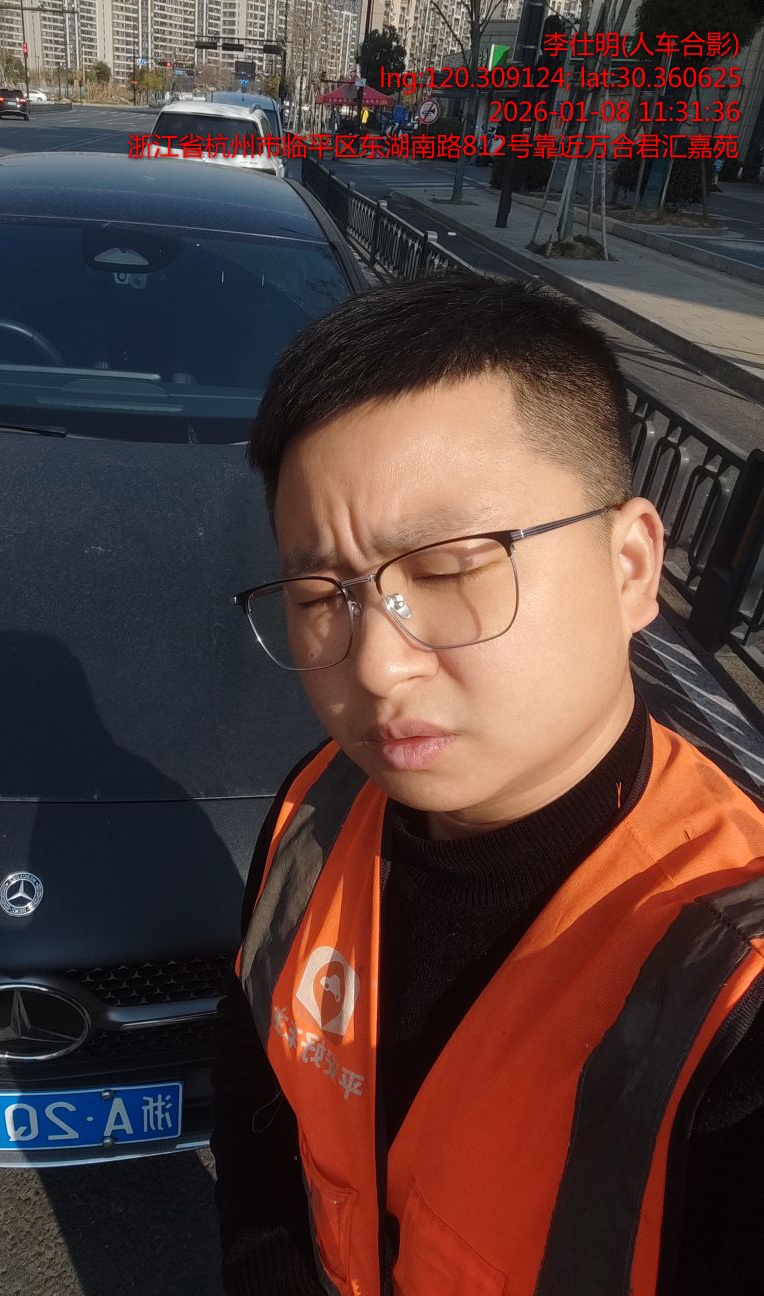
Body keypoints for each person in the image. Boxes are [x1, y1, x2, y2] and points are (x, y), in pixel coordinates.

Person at [212, 274, 764, 1296]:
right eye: (319, 593)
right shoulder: (319, 810)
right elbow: (258, 1089)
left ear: (631, 566)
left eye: (451, 567)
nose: (376, 666)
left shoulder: (731, 986)